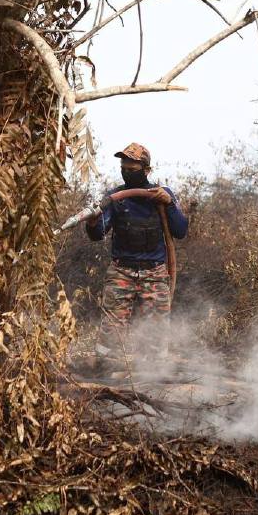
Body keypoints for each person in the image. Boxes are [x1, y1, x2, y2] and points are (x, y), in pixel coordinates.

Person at [79, 142, 188, 376]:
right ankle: (104, 374)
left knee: (157, 331)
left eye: (133, 167)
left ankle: (155, 375)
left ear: (146, 170)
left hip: (155, 273)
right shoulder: (115, 198)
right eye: (124, 167)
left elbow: (180, 230)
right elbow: (98, 234)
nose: (127, 170)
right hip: (122, 272)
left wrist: (168, 203)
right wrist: (92, 222)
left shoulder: (162, 195)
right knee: (111, 329)